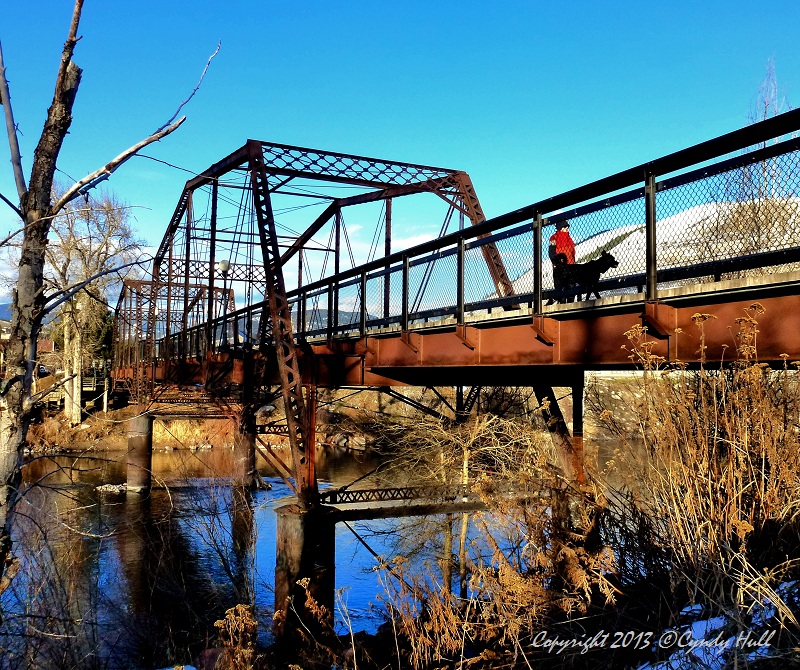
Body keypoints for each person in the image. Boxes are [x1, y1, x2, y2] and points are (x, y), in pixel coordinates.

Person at [547, 219, 576, 304]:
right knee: (562, 291)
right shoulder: (554, 238)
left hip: (569, 267)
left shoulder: (569, 239)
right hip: (560, 268)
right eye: (564, 226)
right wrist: (556, 263)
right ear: (560, 228)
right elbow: (551, 253)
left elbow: (572, 254)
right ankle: (562, 306)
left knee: (570, 290)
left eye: (567, 226)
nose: (567, 228)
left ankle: (569, 307)